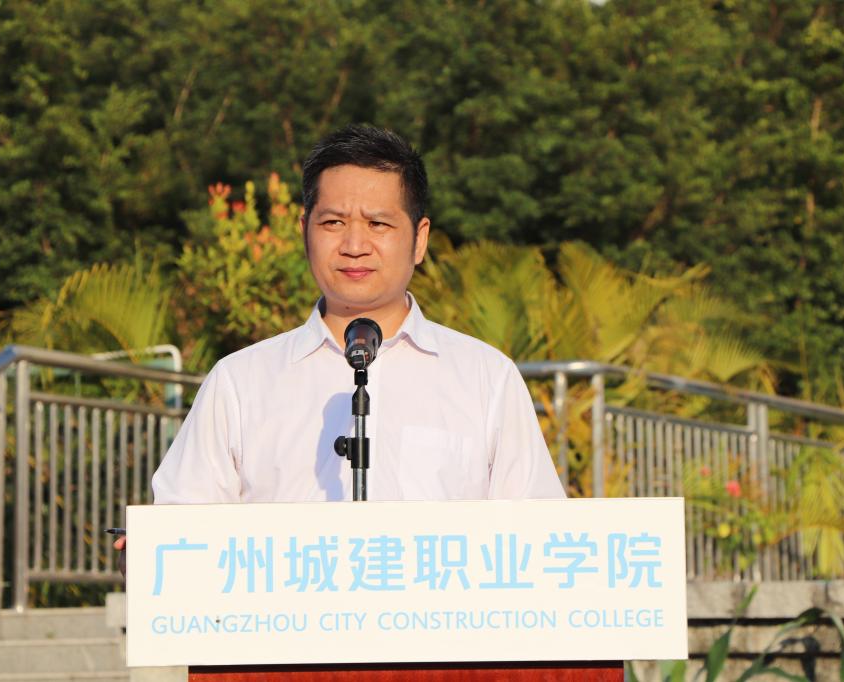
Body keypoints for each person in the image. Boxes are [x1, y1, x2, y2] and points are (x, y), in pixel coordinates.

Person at [115, 125, 563, 559]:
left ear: (419, 238)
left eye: (378, 224)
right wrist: (143, 553)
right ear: (305, 230)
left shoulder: (486, 378)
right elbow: (178, 534)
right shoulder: (239, 382)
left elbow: (539, 539)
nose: (354, 245)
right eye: (333, 222)